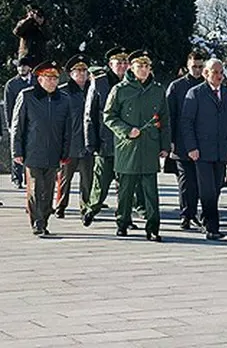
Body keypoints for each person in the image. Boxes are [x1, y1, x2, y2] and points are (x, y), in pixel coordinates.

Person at [103, 50, 170, 241]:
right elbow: (109, 116)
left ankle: (153, 226)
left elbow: (165, 120)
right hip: (128, 146)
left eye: (147, 66)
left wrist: (165, 145)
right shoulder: (120, 90)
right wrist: (125, 130)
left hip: (149, 146)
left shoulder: (157, 90)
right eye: (139, 66)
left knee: (151, 191)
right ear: (132, 68)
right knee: (125, 189)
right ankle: (122, 222)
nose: (144, 70)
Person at [83, 47, 144, 229]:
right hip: (106, 142)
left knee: (126, 185)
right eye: (119, 63)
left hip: (127, 143)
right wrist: (91, 142)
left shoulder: (134, 83)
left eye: (126, 63)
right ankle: (91, 209)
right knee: (101, 182)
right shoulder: (100, 82)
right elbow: (90, 114)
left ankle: (125, 219)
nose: (123, 66)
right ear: (111, 64)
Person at [181, 58, 227, 241]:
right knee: (207, 189)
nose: (219, 76)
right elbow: (187, 122)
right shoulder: (195, 93)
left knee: (216, 188)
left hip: (221, 150)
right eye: (215, 72)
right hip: (202, 150)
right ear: (206, 74)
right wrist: (191, 147)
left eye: (221, 72)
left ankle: (206, 218)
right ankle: (212, 227)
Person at [11, 61, 71, 236]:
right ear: (39, 79)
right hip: (33, 150)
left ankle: (44, 219)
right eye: (48, 78)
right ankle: (37, 223)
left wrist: (65, 152)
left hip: (53, 152)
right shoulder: (28, 96)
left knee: (48, 190)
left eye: (55, 78)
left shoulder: (64, 99)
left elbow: (67, 129)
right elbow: (18, 125)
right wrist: (17, 151)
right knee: (36, 189)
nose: (53, 82)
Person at [166, 51, 205, 230]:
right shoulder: (176, 87)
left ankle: (196, 212)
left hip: (203, 141)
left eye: (200, 66)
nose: (197, 70)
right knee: (186, 180)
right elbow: (169, 116)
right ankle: (186, 214)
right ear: (187, 66)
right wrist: (170, 140)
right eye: (194, 67)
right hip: (181, 142)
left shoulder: (208, 86)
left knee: (200, 180)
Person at [54, 55, 93, 219]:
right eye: (78, 71)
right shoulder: (62, 91)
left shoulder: (93, 89)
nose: (82, 74)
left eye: (84, 70)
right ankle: (60, 206)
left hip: (88, 142)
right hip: (69, 143)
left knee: (87, 179)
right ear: (70, 73)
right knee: (64, 178)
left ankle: (86, 207)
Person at [4, 56, 35, 189]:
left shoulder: (36, 81)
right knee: (17, 149)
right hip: (18, 120)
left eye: (24, 66)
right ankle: (17, 177)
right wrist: (9, 124)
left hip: (33, 121)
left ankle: (29, 177)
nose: (22, 68)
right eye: (19, 66)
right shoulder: (12, 84)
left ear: (30, 67)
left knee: (31, 149)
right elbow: (8, 106)